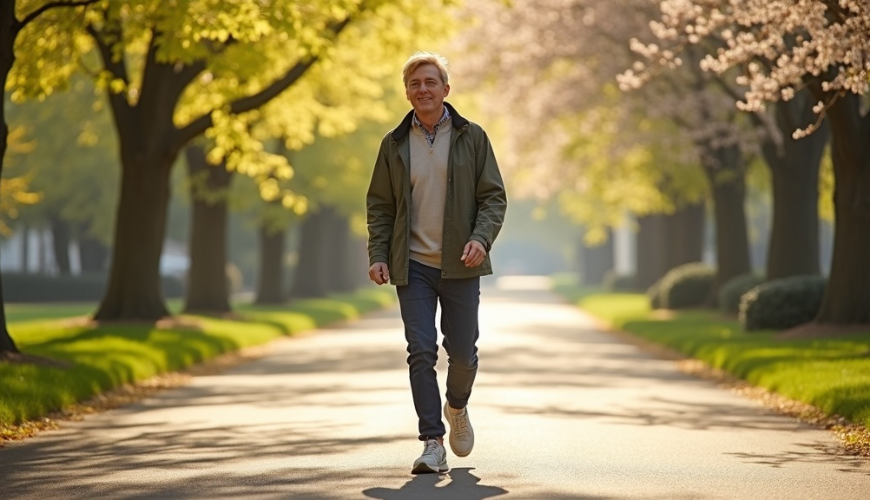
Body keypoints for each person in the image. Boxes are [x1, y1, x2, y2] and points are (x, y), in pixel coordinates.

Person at [366, 51, 507, 474]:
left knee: (463, 354)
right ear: (407, 93)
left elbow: (493, 197)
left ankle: (457, 406)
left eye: (430, 82)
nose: (422, 89)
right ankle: (432, 441)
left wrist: (481, 238)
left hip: (460, 263)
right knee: (421, 351)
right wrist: (378, 254)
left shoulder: (472, 137)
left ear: (446, 89)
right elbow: (380, 205)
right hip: (413, 266)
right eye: (415, 84)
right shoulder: (393, 144)